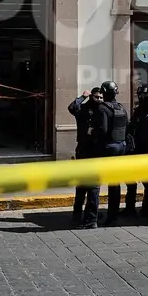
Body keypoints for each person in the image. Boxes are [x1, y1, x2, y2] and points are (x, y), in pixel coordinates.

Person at [67, 87, 104, 228]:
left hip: (97, 152)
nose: (99, 100)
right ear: (91, 97)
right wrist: (83, 96)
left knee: (94, 187)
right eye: (96, 97)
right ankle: (77, 216)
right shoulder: (83, 109)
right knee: (82, 186)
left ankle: (91, 217)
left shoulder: (103, 110)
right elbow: (71, 107)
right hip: (83, 150)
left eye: (101, 97)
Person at [96, 80, 130, 226]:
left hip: (109, 147)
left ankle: (110, 217)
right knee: (115, 183)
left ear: (104, 93)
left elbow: (102, 129)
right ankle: (114, 214)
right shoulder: (121, 107)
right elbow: (127, 126)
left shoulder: (102, 108)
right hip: (121, 146)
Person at [126, 84, 148, 218]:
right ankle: (129, 208)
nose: (141, 98)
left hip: (147, 151)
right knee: (130, 180)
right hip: (134, 150)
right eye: (140, 95)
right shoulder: (137, 111)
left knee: (147, 181)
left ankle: (146, 209)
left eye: (144, 96)